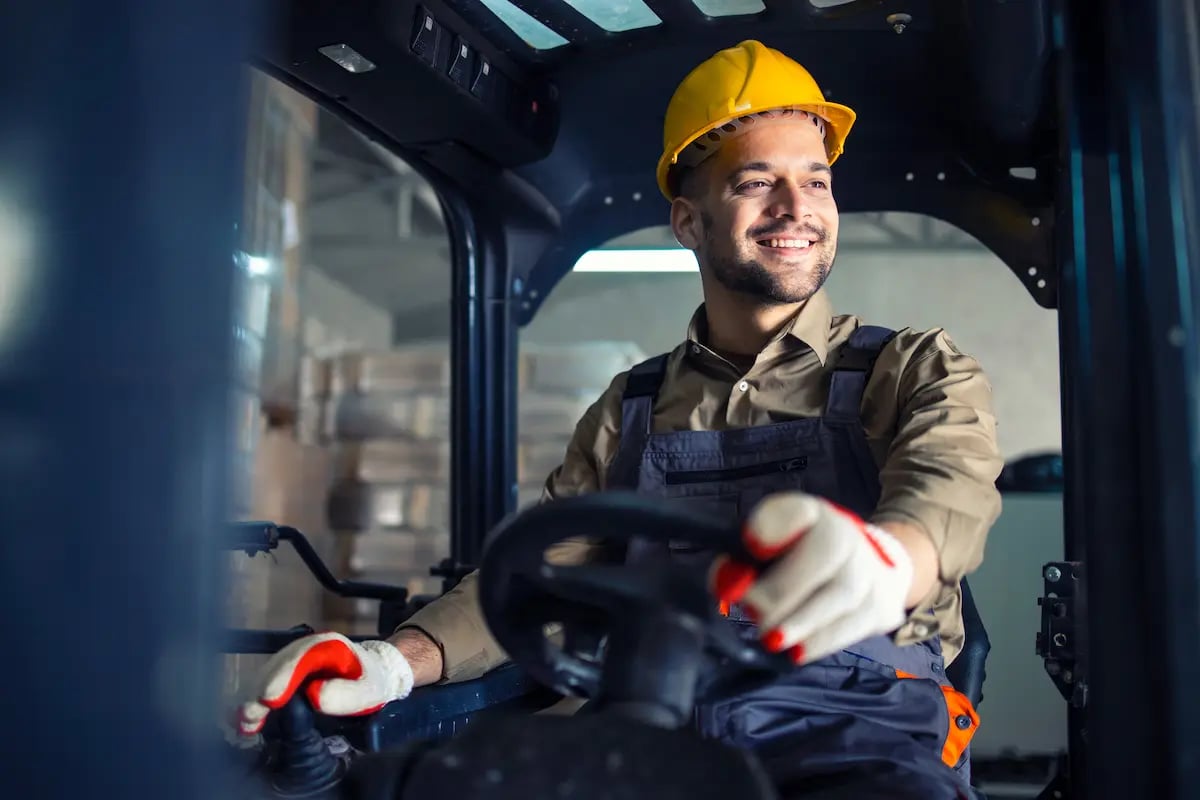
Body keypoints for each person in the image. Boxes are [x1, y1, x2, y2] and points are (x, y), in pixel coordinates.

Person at [236, 40, 1003, 799]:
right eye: (756, 181)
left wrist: (886, 561)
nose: (796, 209)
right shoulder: (630, 410)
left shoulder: (910, 370)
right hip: (655, 739)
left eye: (816, 180)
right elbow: (539, 578)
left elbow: (950, 488)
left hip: (859, 744)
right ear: (687, 220)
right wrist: (396, 662)